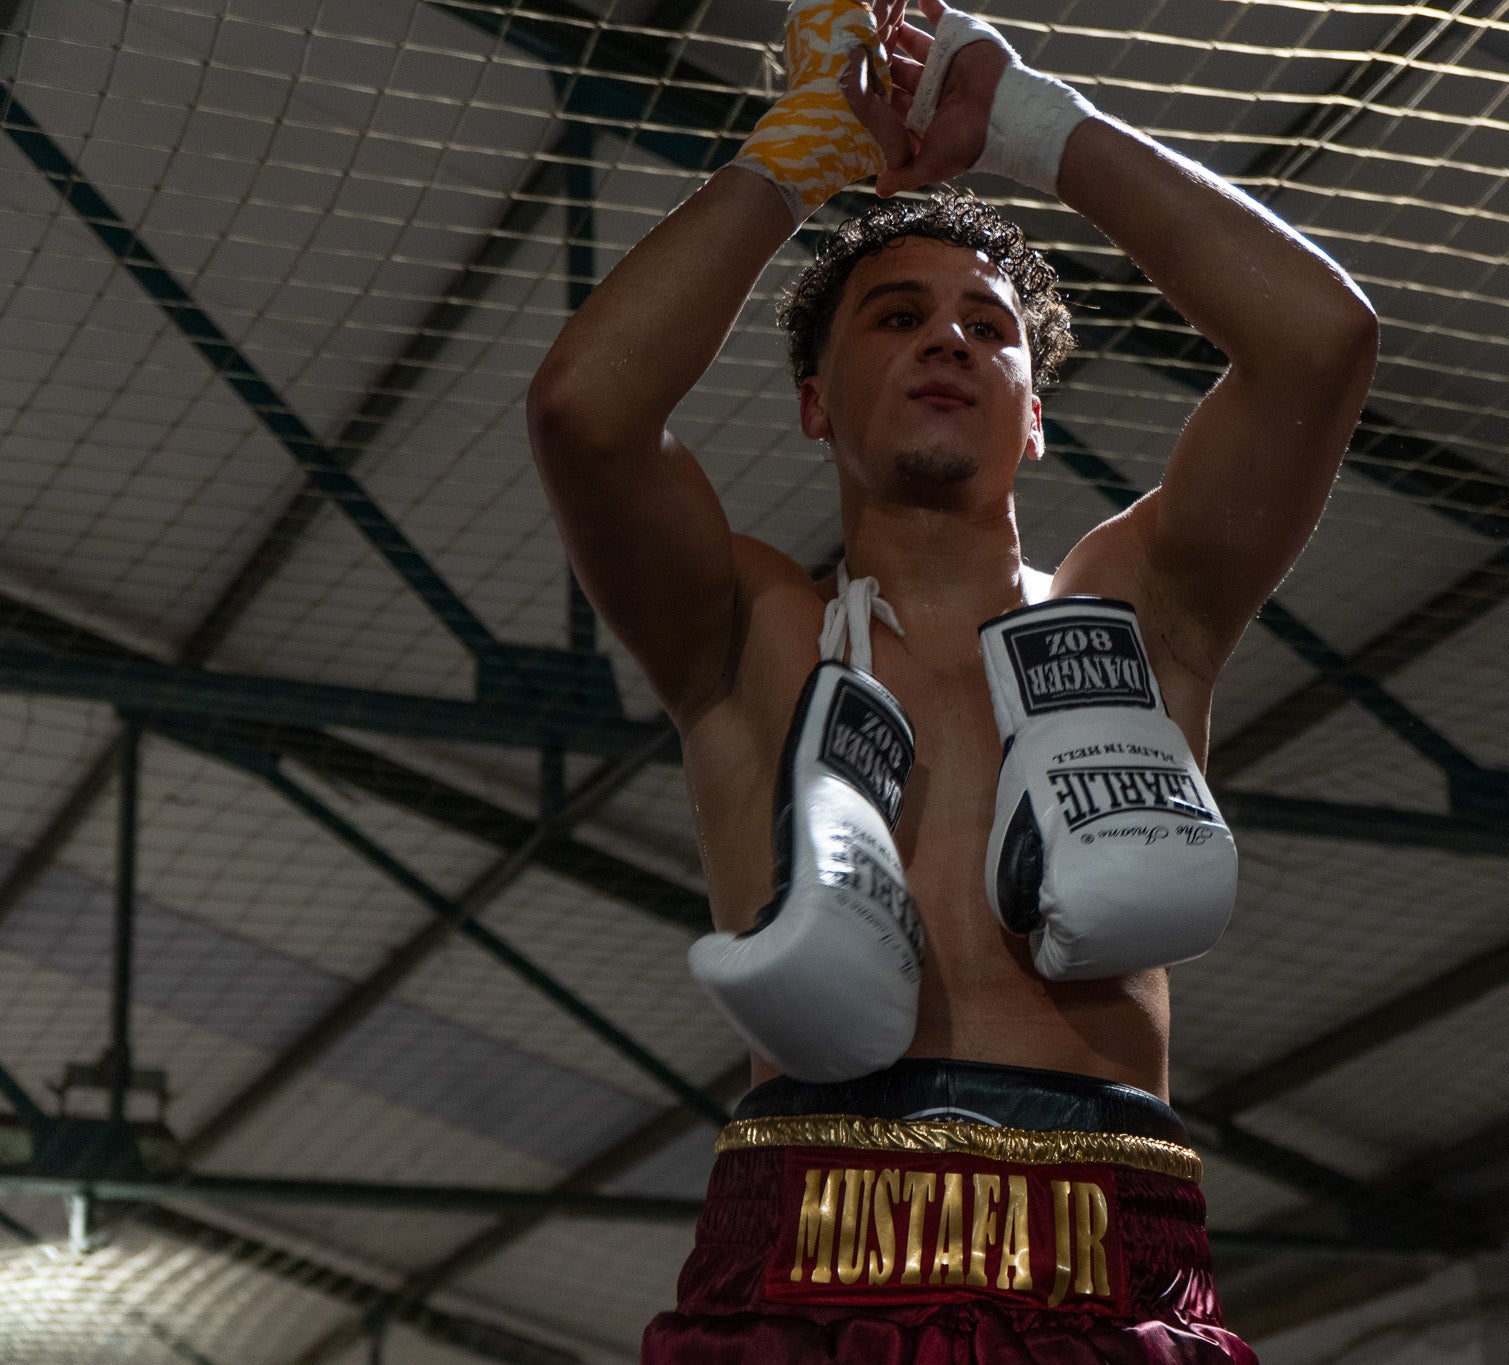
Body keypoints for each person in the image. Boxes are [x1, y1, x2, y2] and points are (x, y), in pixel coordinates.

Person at [527, 0, 1376, 1356]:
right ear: (814, 400)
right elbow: (586, 412)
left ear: (1033, 415)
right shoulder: (747, 631)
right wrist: (796, 156)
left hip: (1105, 1255)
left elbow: (1319, 340)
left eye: (990, 327)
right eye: (897, 316)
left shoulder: (1141, 615)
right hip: (810, 1251)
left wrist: (1031, 118)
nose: (949, 342)